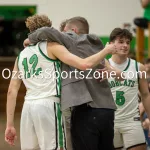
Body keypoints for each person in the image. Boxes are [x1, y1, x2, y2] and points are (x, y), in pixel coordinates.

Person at [5, 15, 119, 150]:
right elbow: (83, 64)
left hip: (28, 107)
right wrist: (105, 52)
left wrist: (10, 124)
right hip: (48, 104)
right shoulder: (53, 46)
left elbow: (11, 91)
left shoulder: (21, 56)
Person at [108, 28, 150, 150]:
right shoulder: (103, 65)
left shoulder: (139, 67)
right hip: (110, 121)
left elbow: (146, 95)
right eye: (121, 41)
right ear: (111, 44)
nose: (125, 45)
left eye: (127, 42)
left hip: (132, 120)